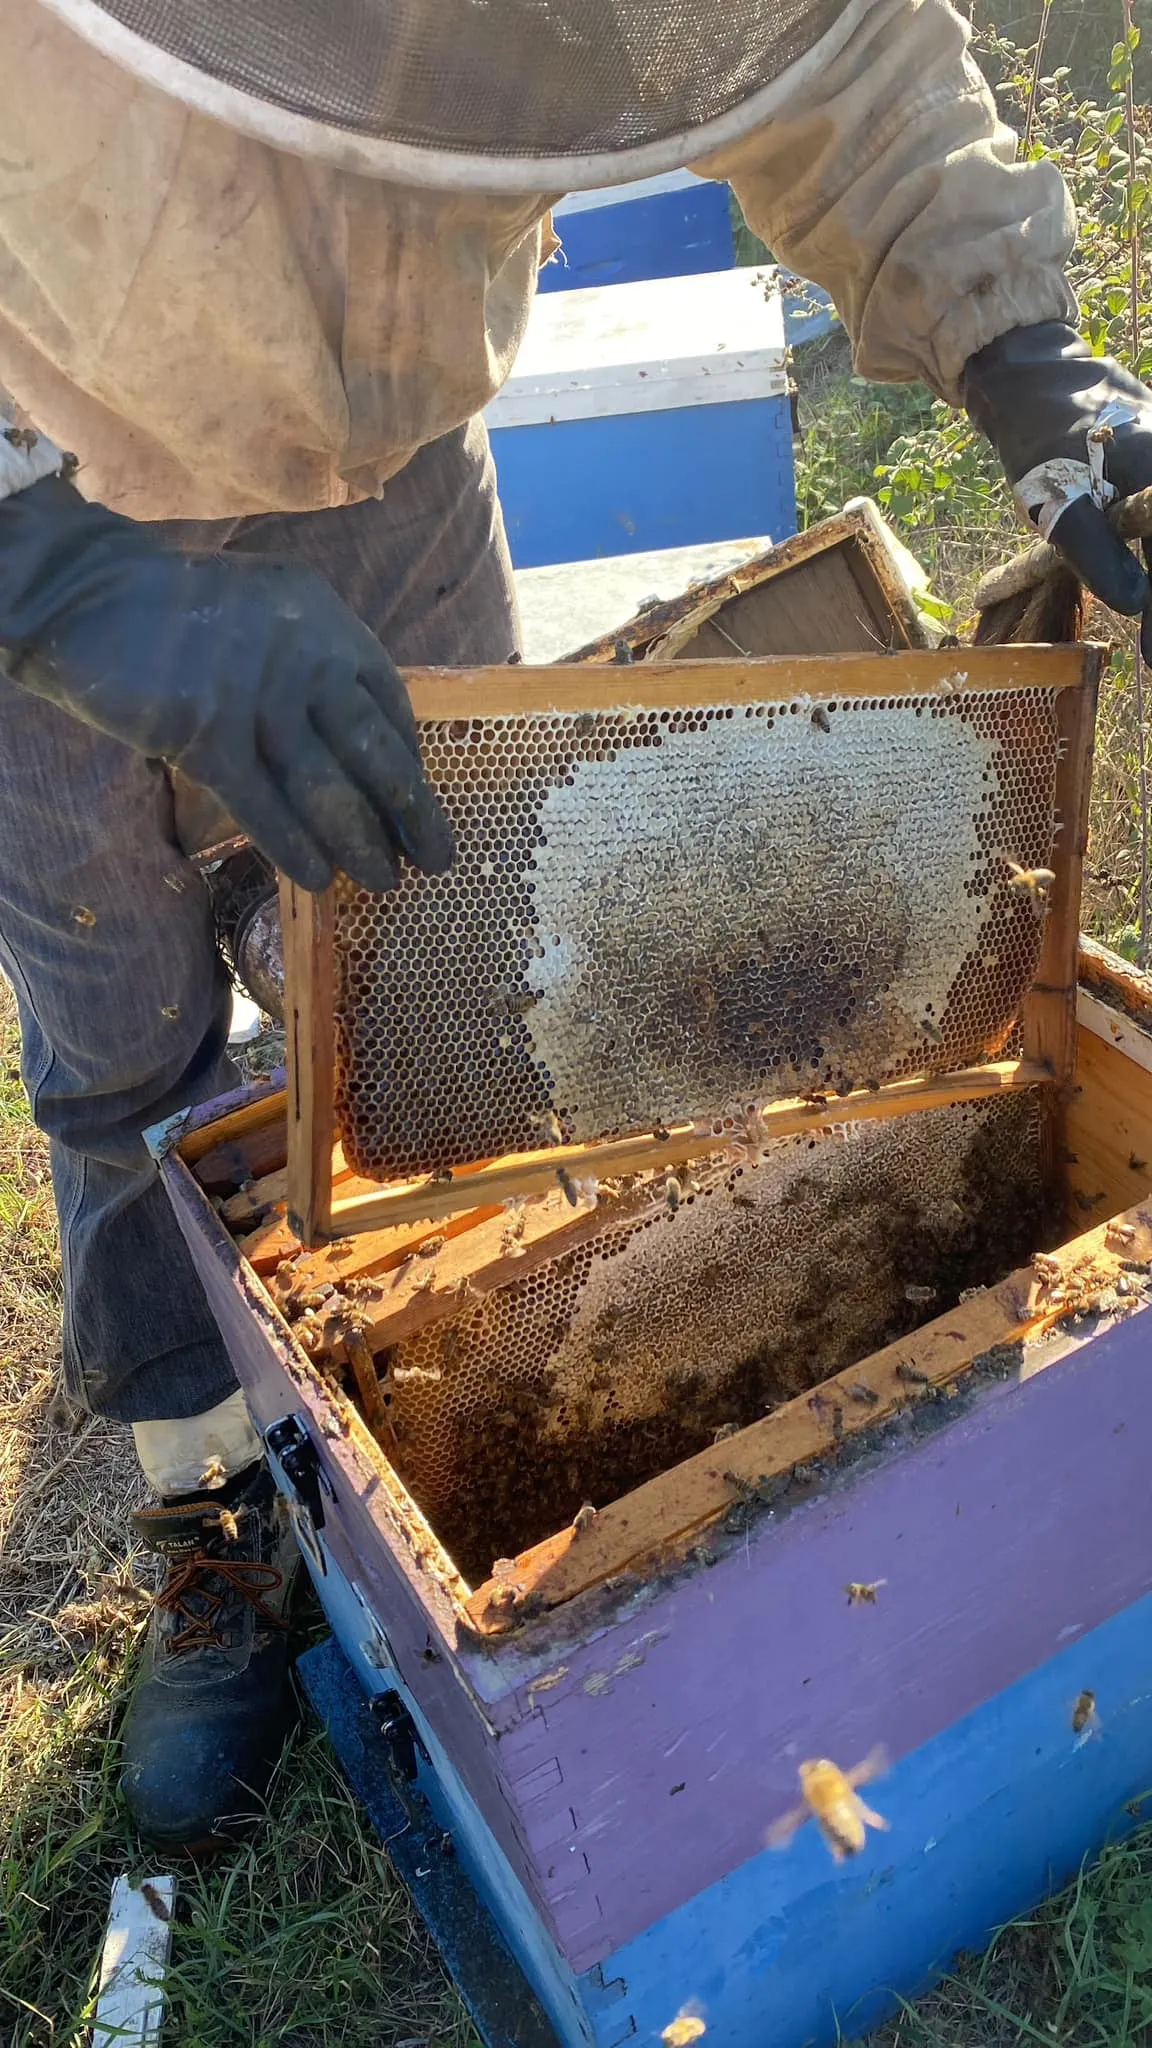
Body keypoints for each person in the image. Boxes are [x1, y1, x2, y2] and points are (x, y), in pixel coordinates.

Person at [1, 0, 1150, 1851]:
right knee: (123, 1048)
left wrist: (1021, 349)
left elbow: (827, 45)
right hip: (43, 476)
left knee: (469, 999)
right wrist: (41, 565)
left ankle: (465, 1387)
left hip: (393, 474)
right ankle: (209, 1506)